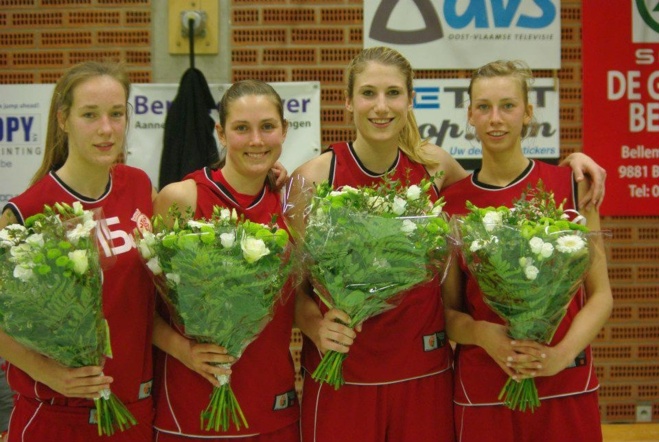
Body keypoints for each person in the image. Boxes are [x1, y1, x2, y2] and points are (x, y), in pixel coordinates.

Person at [289, 46, 607, 442]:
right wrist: (317, 326)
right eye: (368, 93)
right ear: (348, 101)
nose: (381, 106)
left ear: (410, 100)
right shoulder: (313, 178)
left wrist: (573, 160)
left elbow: (502, 189)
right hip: (344, 371)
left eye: (393, 93)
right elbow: (296, 291)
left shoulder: (434, 168)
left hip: (425, 374)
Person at [440, 60, 613, 442]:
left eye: (508, 105)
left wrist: (559, 355)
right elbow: (448, 313)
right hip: (485, 387)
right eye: (483, 107)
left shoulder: (572, 185)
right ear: (469, 114)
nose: (495, 118)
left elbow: (601, 296)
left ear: (528, 112)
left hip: (564, 382)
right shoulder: (453, 203)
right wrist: (484, 334)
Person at [0, 61, 156, 441]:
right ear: (64, 119)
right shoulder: (27, 211)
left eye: (116, 114)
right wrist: (48, 372)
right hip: (58, 415)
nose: (106, 129)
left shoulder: (139, 186)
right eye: (90, 115)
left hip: (135, 410)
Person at [151, 79, 300, 441]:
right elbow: (141, 308)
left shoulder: (292, 205)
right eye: (241, 128)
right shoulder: (182, 198)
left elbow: (302, 302)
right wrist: (185, 350)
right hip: (191, 402)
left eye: (267, 127)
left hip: (272, 403)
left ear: (284, 130)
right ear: (220, 132)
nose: (256, 141)